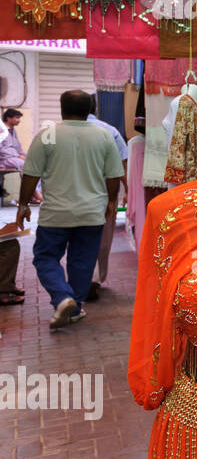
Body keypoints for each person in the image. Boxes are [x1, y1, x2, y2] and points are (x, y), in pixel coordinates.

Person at [17, 90, 123, 327]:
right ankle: (74, 308)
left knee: (45, 257)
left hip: (56, 214)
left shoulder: (48, 135)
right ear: (91, 110)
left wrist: (23, 205)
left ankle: (63, 297)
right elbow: (114, 176)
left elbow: (31, 174)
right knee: (82, 263)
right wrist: (111, 202)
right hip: (92, 213)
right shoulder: (104, 137)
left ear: (62, 109)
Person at [87, 104, 129, 300]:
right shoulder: (110, 131)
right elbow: (121, 164)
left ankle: (83, 278)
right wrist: (126, 190)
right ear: (96, 108)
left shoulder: (56, 132)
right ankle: (93, 279)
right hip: (102, 191)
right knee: (102, 238)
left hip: (69, 194)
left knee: (77, 239)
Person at [0, 108, 26, 206]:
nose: (19, 120)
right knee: (25, 164)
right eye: (17, 118)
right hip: (3, 159)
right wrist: (18, 156)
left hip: (12, 158)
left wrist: (24, 155)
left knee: (34, 163)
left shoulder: (13, 131)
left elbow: (18, 148)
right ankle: (32, 194)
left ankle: (33, 193)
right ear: (8, 118)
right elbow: (1, 150)